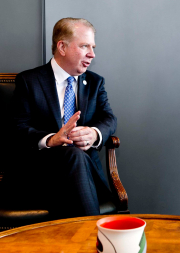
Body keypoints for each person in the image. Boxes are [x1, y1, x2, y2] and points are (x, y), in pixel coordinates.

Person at [9, 17, 117, 218]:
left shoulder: (95, 83)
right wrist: (51, 139)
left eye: (93, 47)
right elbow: (18, 127)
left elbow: (109, 118)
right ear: (62, 47)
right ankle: (94, 239)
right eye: (85, 46)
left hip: (87, 174)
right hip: (41, 174)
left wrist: (93, 134)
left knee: (76, 157)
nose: (92, 54)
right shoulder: (29, 81)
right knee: (73, 156)